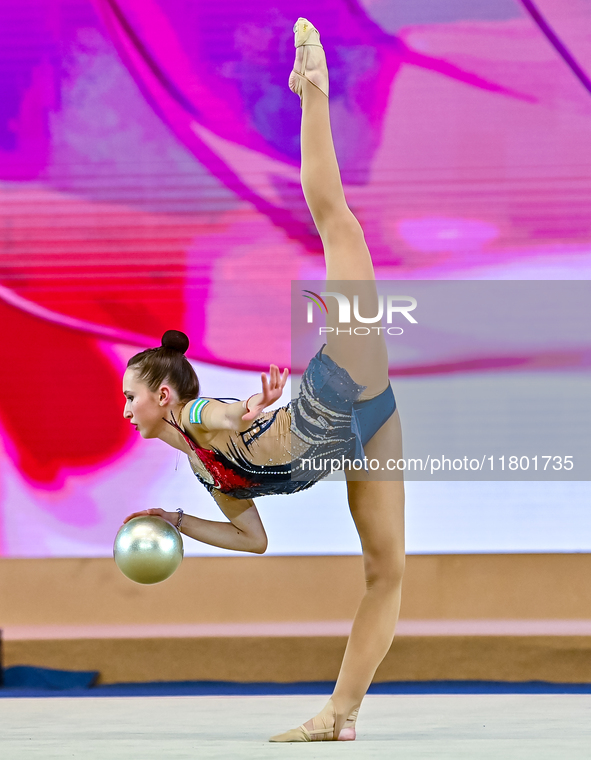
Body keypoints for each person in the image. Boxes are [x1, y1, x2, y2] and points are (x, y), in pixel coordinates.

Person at [122, 18, 405, 742]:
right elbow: (253, 543)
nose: (123, 411)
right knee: (385, 573)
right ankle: (338, 717)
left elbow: (227, 416)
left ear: (163, 396)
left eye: (129, 396)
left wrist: (254, 404)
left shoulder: (197, 420)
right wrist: (178, 524)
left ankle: (313, 91)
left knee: (338, 226)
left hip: (340, 387)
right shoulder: (203, 472)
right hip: (367, 431)